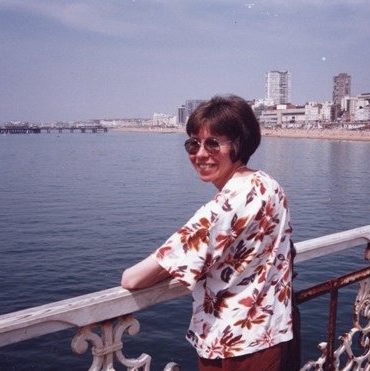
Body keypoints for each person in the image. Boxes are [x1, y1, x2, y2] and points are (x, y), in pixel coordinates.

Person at [121, 95, 296, 370]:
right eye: (193, 144)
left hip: (231, 348)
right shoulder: (267, 185)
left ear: (238, 144)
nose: (200, 154)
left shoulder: (222, 208)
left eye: (213, 144)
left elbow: (132, 278)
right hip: (270, 334)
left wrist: (174, 264)